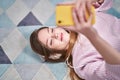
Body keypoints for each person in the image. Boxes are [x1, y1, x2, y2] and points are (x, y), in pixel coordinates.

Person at [30, 0, 120, 80]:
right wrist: (93, 37)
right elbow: (115, 72)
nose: (55, 35)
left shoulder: (77, 18)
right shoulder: (81, 65)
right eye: (51, 41)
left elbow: (104, 4)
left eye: (52, 30)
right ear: (54, 54)